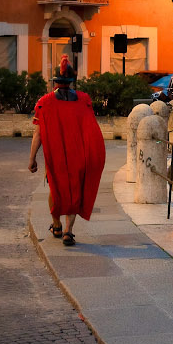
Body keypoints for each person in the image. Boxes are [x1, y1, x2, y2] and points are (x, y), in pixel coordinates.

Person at [28, 57, 105, 246]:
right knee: (75, 190)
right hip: (80, 155)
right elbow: (91, 128)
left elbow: (38, 134)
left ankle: (57, 225)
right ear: (71, 82)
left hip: (57, 156)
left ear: (55, 82)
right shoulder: (84, 100)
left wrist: (32, 159)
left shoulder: (44, 102)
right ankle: (69, 232)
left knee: (56, 188)